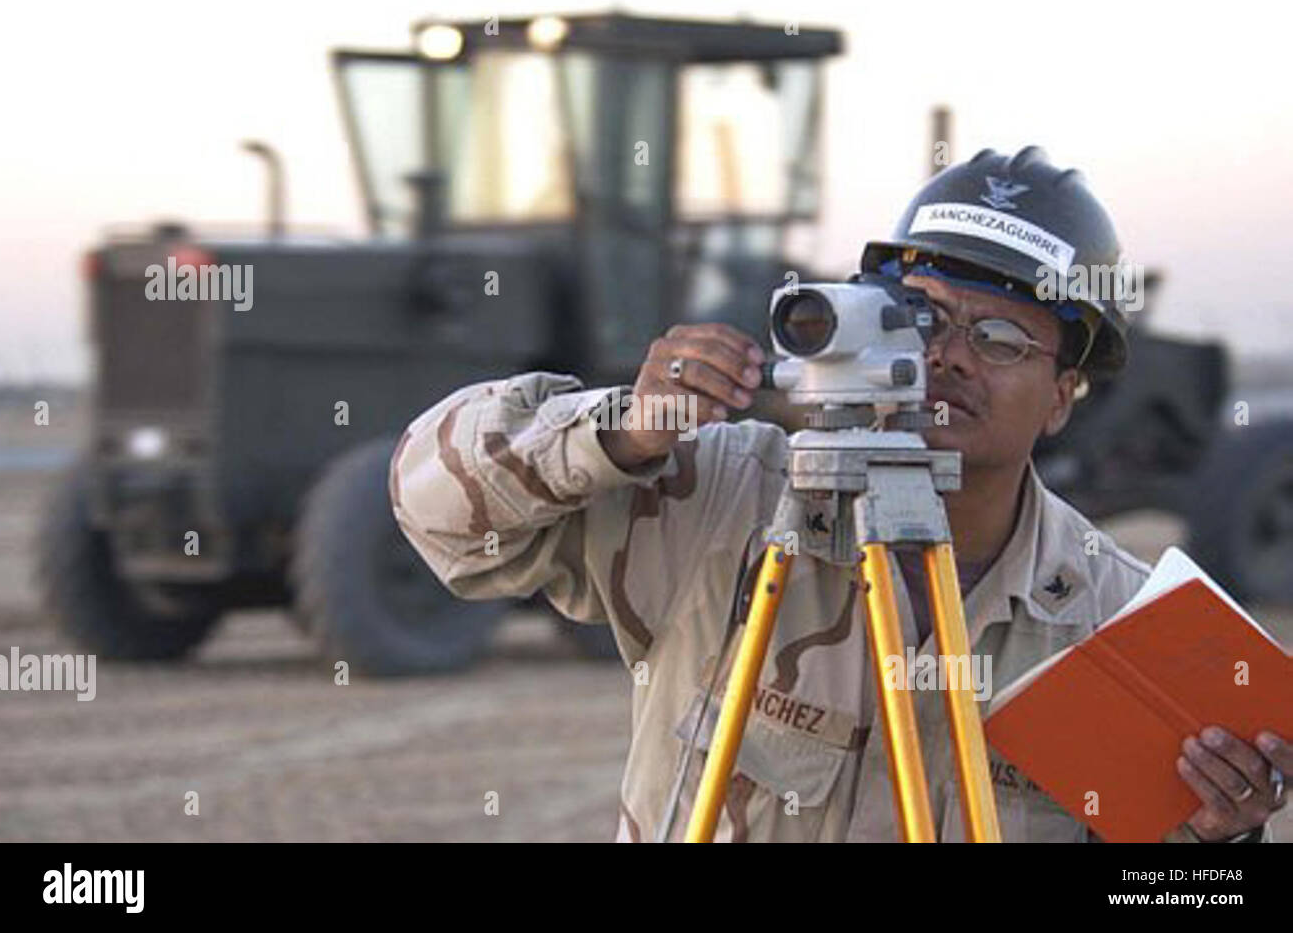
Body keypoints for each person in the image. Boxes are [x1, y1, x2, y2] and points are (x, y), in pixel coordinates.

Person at [389, 146, 1289, 842]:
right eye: (922, 313)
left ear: (1064, 393)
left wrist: (1208, 846)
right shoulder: (724, 497)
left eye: (1003, 338)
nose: (947, 355)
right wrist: (623, 428)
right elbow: (430, 505)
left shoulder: (1119, 623)